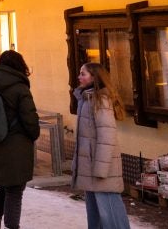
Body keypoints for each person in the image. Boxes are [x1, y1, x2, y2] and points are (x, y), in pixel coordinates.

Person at [0, 50, 41, 229]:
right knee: (15, 190)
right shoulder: (20, 88)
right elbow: (30, 118)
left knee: (2, 185)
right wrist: (33, 134)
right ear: (19, 66)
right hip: (16, 147)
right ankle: (12, 226)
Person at [73, 62, 130, 229]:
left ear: (94, 77)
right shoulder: (86, 98)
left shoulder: (101, 100)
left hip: (100, 169)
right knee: (95, 212)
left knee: (110, 211)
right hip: (90, 166)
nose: (79, 77)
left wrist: (101, 170)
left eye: (83, 74)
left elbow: (107, 137)